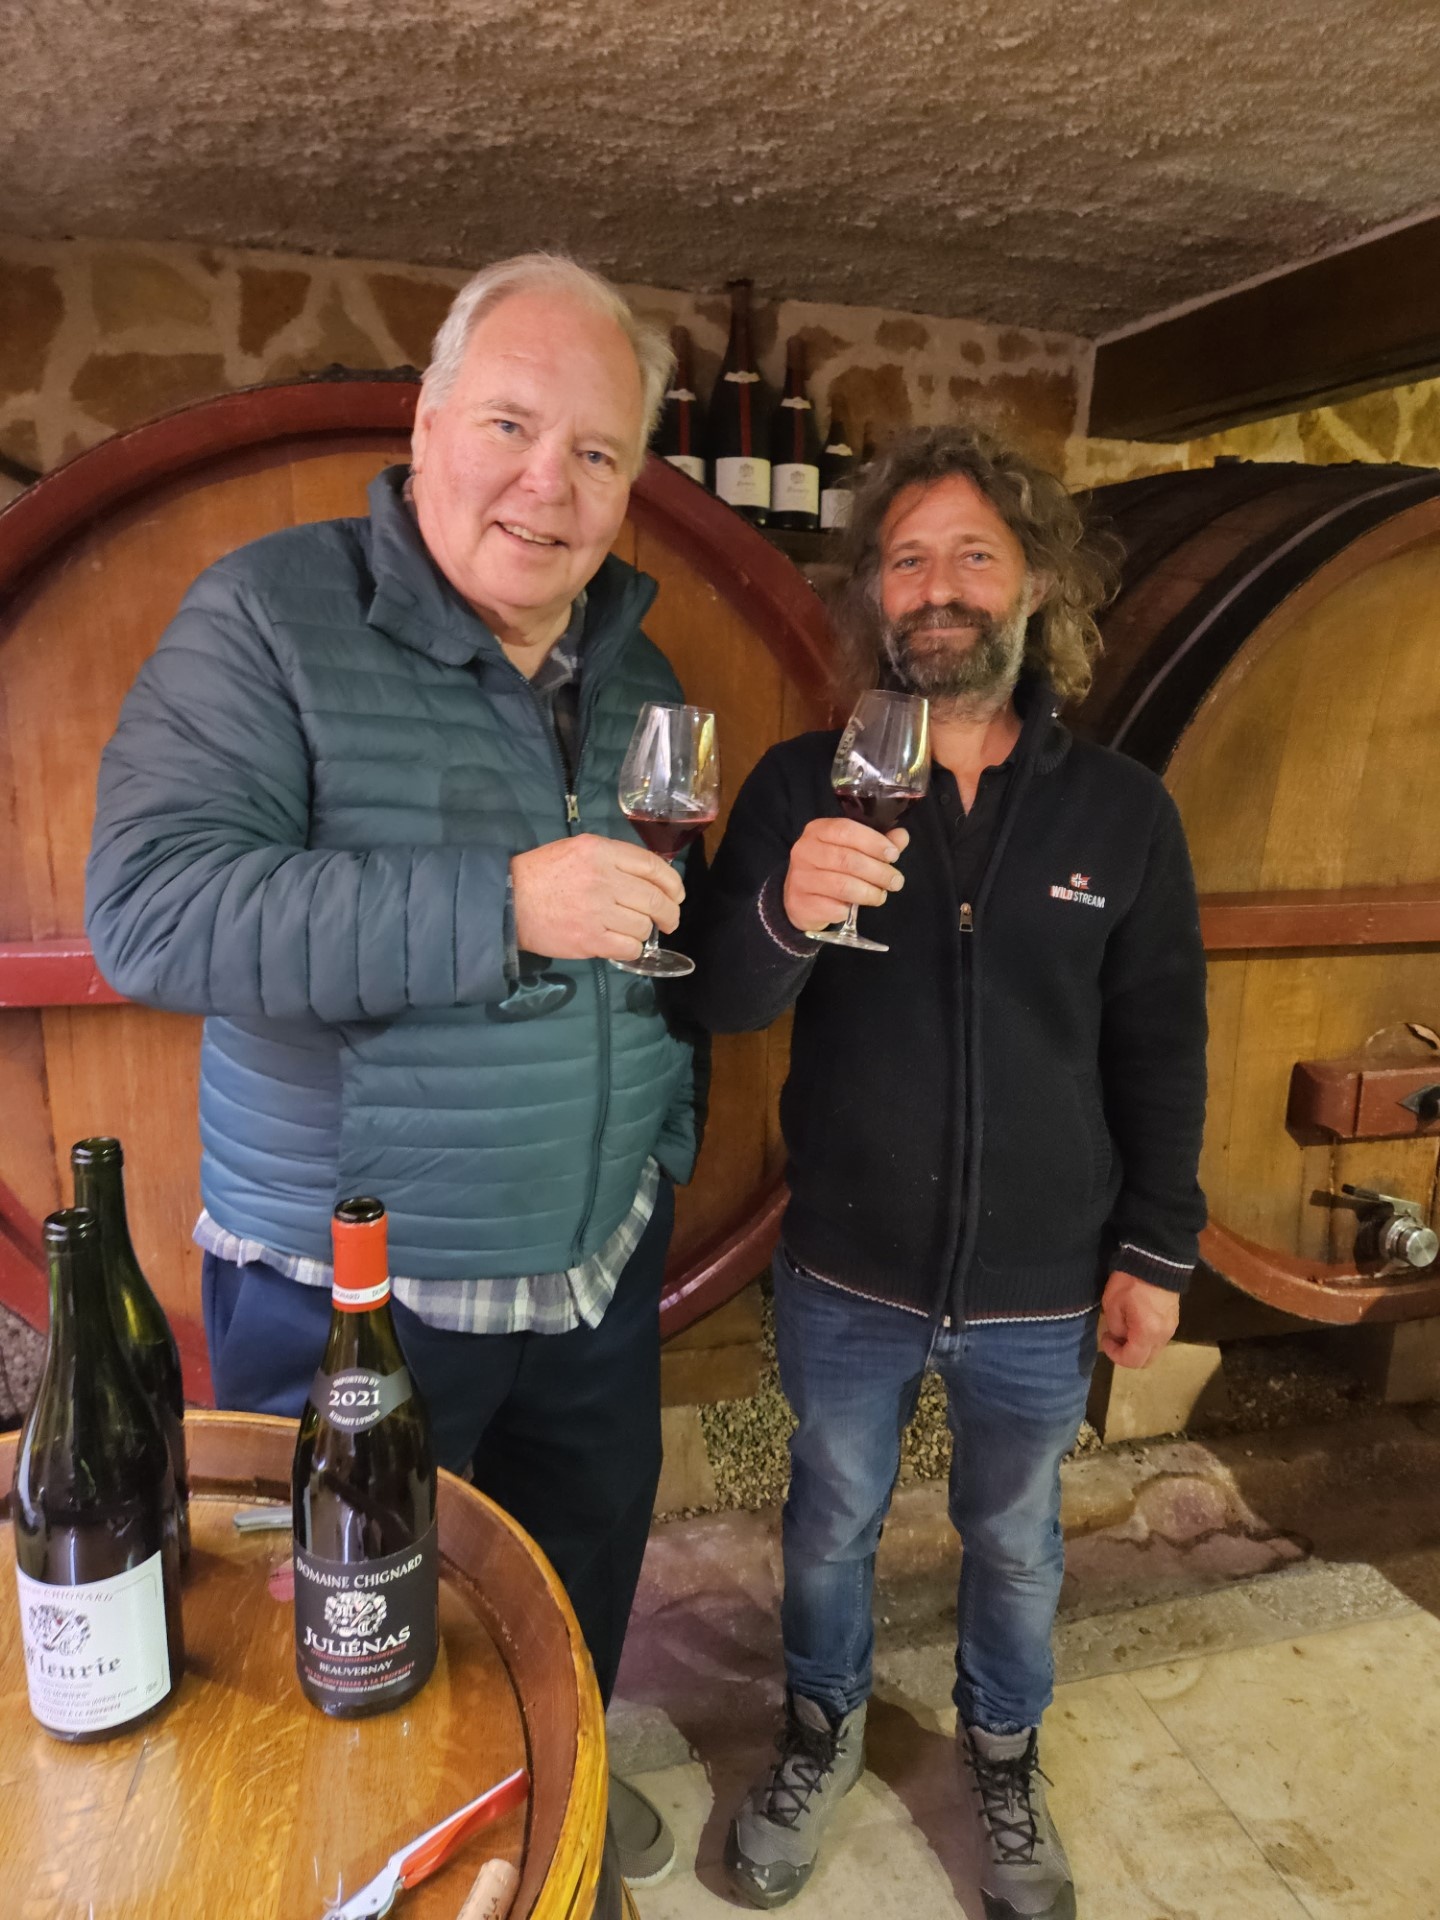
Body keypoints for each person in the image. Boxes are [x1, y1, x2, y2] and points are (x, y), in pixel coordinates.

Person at [85, 254, 702, 1891]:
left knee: (569, 1611)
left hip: (588, 1279)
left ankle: (550, 1827)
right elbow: (152, 914)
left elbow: (657, 948)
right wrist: (503, 905)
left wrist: (657, 1153)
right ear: (426, 424)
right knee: (354, 1669)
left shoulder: (635, 669)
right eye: (511, 425)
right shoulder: (269, 614)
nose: (547, 482)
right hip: (358, 1299)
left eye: (596, 453)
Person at [682, 423, 1207, 1918]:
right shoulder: (805, 785)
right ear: (873, 593)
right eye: (908, 559)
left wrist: (1156, 1248)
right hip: (847, 1267)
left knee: (1017, 1541)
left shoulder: (1122, 812)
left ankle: (1003, 1752)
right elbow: (722, 1000)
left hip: (1044, 1281)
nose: (940, 587)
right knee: (829, 1520)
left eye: (975, 553)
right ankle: (820, 1733)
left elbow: (1162, 1044)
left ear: (1035, 583)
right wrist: (781, 909)